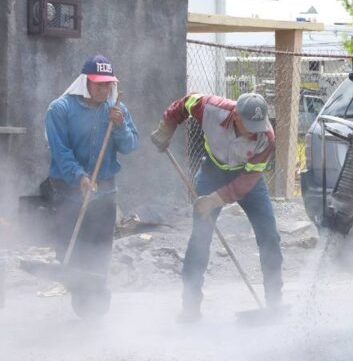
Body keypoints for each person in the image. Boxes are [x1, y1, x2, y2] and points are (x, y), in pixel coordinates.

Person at [149, 92, 283, 323]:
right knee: (199, 240)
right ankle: (190, 308)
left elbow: (245, 184)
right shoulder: (211, 108)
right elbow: (184, 103)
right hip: (212, 173)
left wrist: (214, 200)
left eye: (258, 126)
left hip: (247, 177)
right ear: (236, 115)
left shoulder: (266, 137)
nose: (254, 131)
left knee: (269, 237)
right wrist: (166, 127)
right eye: (249, 125)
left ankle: (274, 305)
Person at [45, 54, 139, 317]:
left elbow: (131, 146)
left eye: (109, 84)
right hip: (69, 192)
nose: (105, 89)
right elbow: (60, 152)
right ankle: (81, 296)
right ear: (85, 81)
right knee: (71, 250)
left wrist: (120, 126)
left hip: (105, 192)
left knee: (100, 251)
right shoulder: (60, 109)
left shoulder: (117, 110)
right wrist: (80, 177)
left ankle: (96, 304)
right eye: (99, 84)